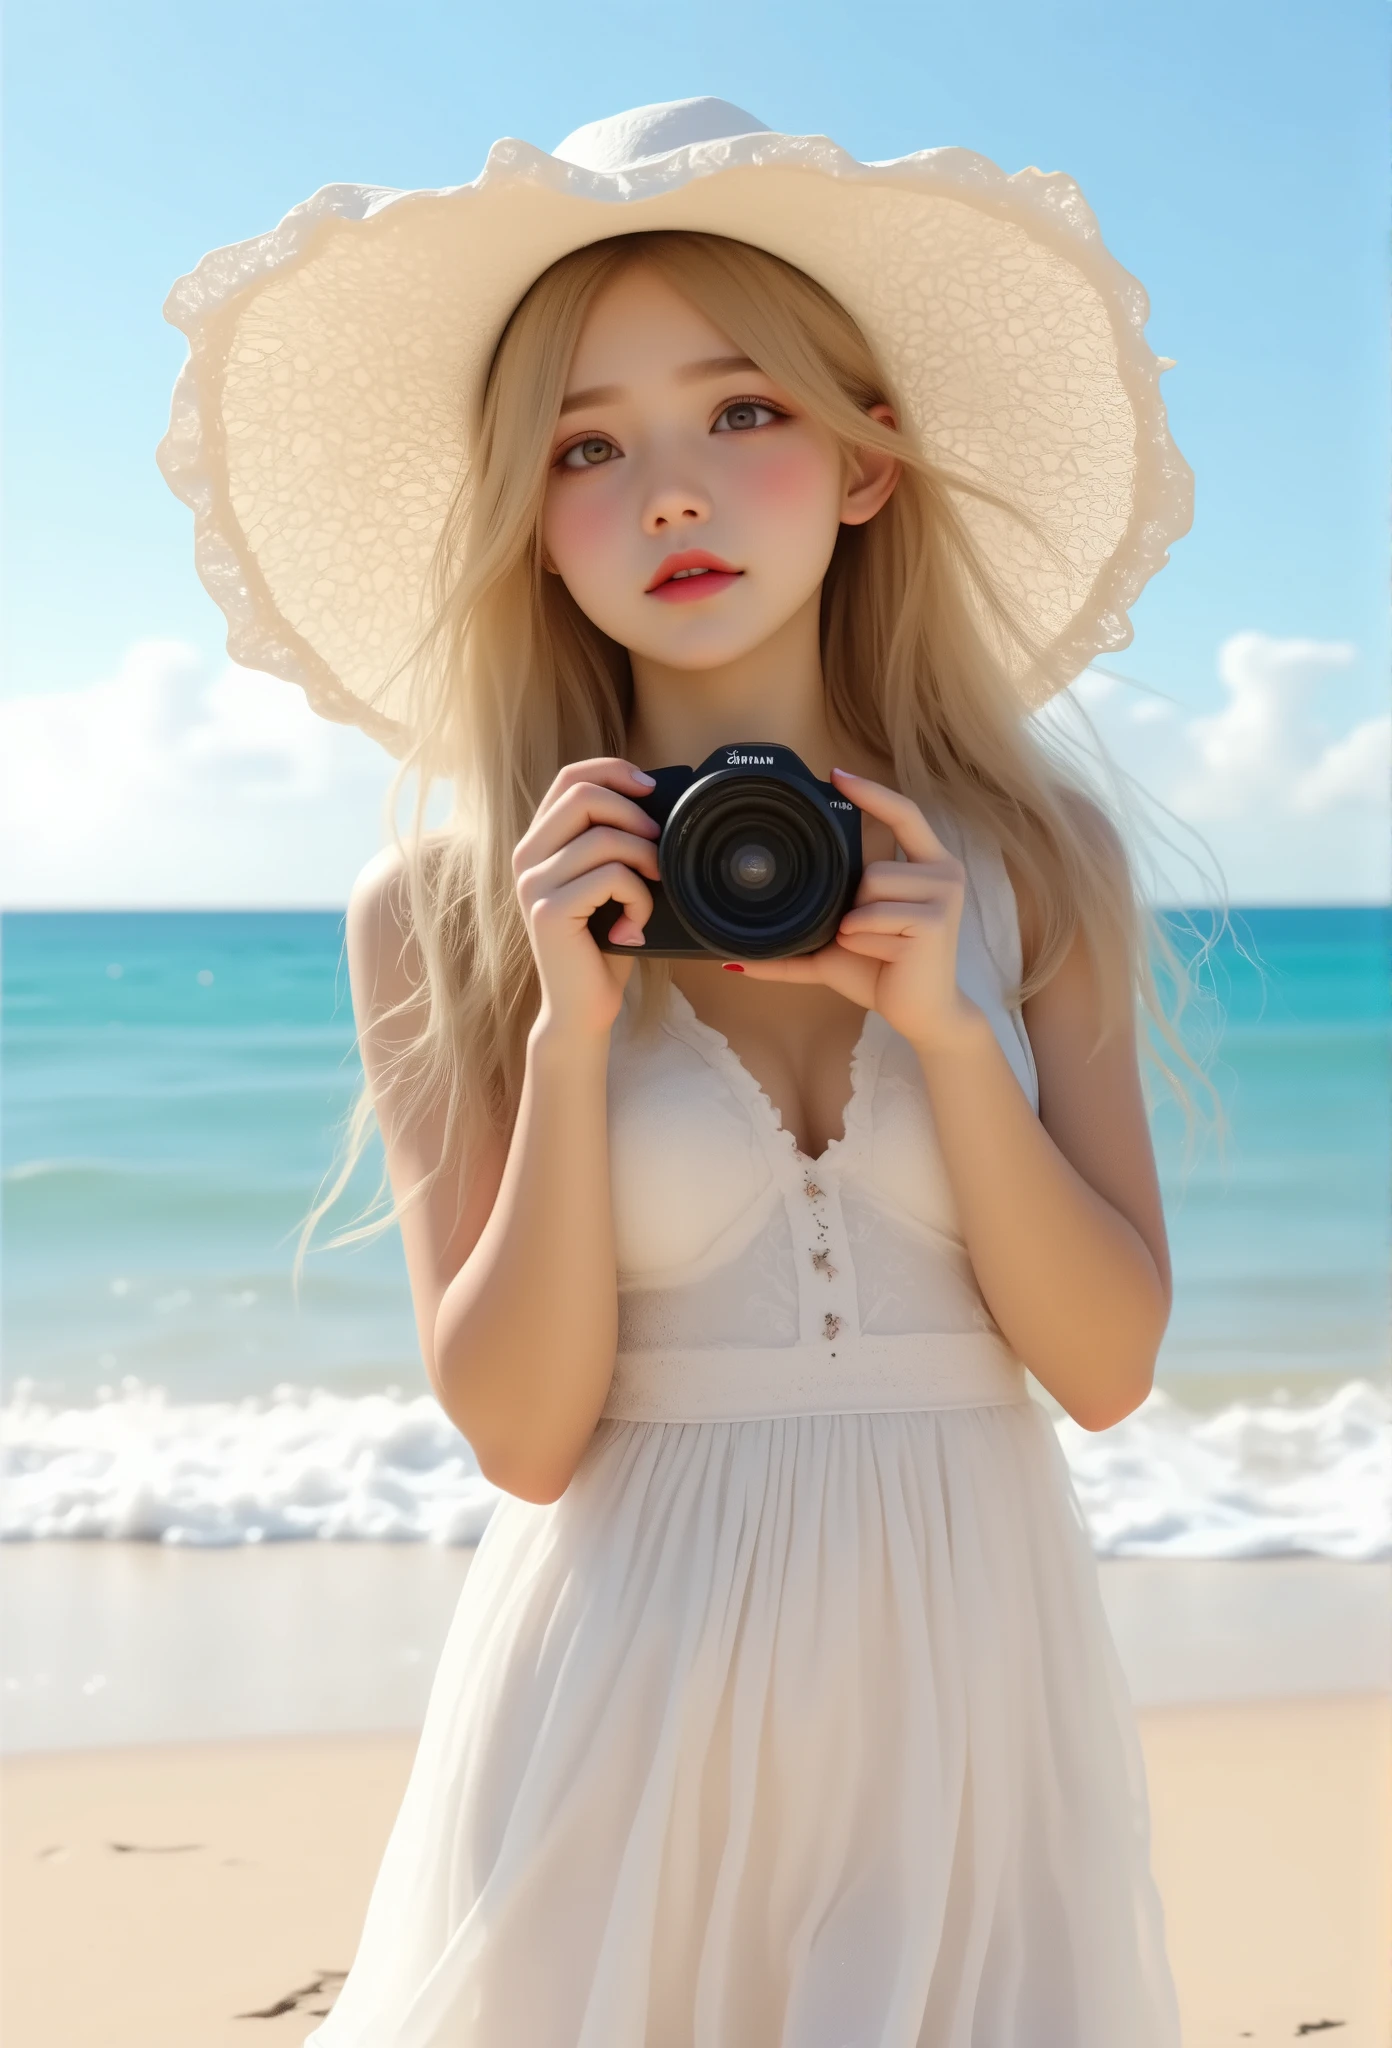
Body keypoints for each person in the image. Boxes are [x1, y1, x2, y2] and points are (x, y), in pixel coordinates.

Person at [157, 97, 1195, 2044]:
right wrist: (568, 1032)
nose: (677, 496)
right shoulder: (447, 906)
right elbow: (530, 1432)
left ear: (866, 460)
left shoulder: (1034, 861)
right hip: (612, 1706)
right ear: (526, 519)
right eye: (587, 445)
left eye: (743, 412)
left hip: (969, 1705)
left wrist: (949, 1038)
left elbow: (1110, 1363)